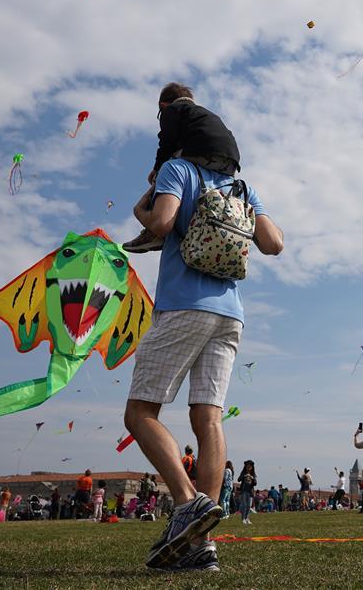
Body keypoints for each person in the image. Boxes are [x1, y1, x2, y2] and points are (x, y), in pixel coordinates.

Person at [123, 121, 284, 573]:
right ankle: (200, 544)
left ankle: (187, 503)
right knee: (207, 417)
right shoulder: (242, 187)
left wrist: (144, 207)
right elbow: (274, 244)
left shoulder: (178, 170)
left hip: (183, 307)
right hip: (230, 314)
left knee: (140, 413)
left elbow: (161, 223)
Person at [124, 83, 242, 253]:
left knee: (166, 173)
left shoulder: (173, 110)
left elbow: (166, 142)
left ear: (162, 106)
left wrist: (157, 169)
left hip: (202, 149)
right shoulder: (204, 114)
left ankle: (153, 233)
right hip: (230, 161)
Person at [236, 461, 256, 525]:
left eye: (250, 467)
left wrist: (252, 478)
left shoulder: (253, 474)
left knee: (249, 506)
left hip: (250, 492)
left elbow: (255, 483)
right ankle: (243, 519)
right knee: (244, 505)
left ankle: (247, 518)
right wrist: (244, 476)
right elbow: (238, 479)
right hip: (244, 491)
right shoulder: (243, 473)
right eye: (247, 466)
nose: (248, 468)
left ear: (252, 467)